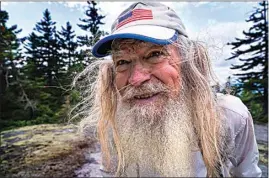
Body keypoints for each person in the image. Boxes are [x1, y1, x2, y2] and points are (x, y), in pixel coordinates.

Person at [76, 2, 262, 177]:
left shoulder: (230, 116)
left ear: (188, 61)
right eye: (122, 62)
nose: (136, 79)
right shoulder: (115, 123)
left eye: (155, 54)